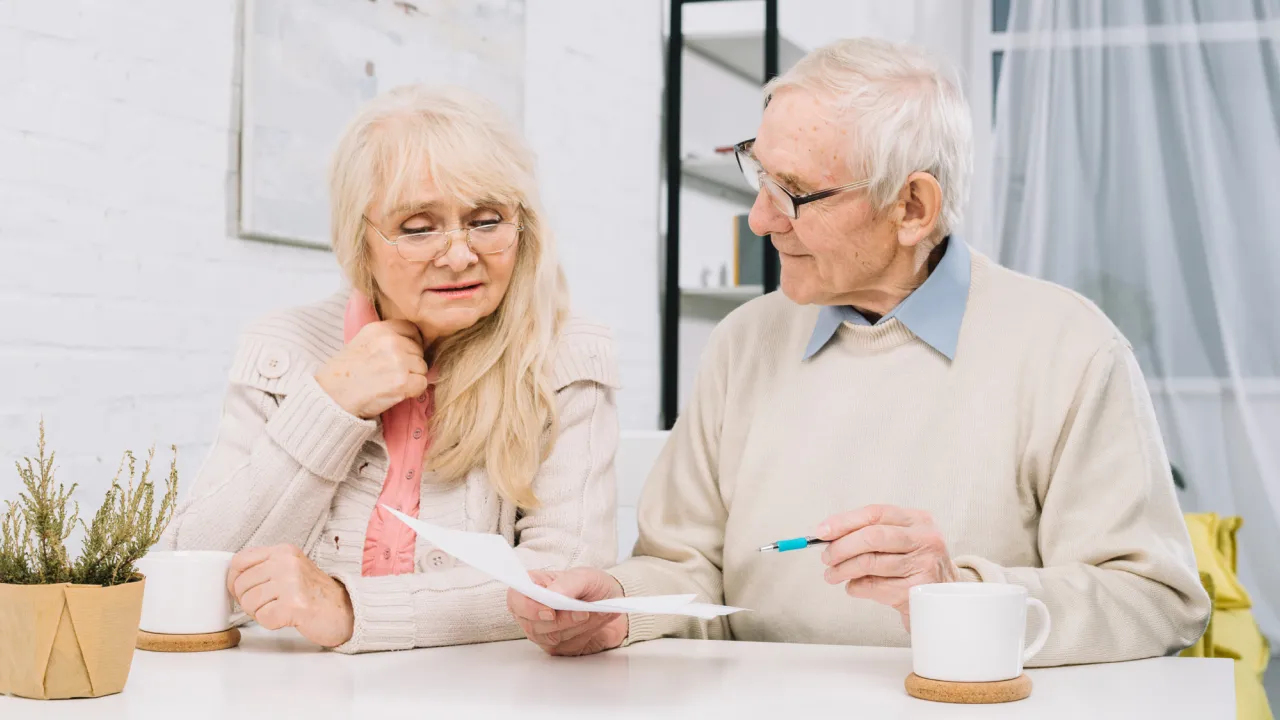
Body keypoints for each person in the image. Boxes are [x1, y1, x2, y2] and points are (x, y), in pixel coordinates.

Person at [508, 38, 1210, 664]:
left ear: (912, 208)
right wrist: (617, 606)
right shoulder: (743, 342)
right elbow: (688, 571)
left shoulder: (1069, 348)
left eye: (794, 194)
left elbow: (1154, 600)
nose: (759, 218)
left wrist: (952, 592)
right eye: (760, 175)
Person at [162, 85, 620, 653]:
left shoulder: (566, 354)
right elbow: (184, 574)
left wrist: (352, 610)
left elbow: (566, 585)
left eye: (485, 220)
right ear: (361, 242)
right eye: (418, 227)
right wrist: (331, 405)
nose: (458, 255)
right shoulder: (284, 348)